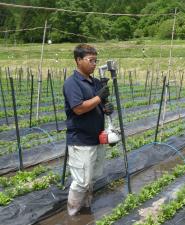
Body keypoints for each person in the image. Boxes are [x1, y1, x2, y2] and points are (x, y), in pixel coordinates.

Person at [63, 44, 114, 216]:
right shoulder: (72, 83)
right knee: (81, 181)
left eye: (95, 60)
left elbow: (98, 105)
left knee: (91, 178)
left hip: (96, 138)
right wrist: (99, 97)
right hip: (81, 140)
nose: (94, 64)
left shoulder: (95, 82)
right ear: (78, 60)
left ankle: (85, 209)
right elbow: (78, 108)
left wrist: (106, 108)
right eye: (90, 60)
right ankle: (72, 214)